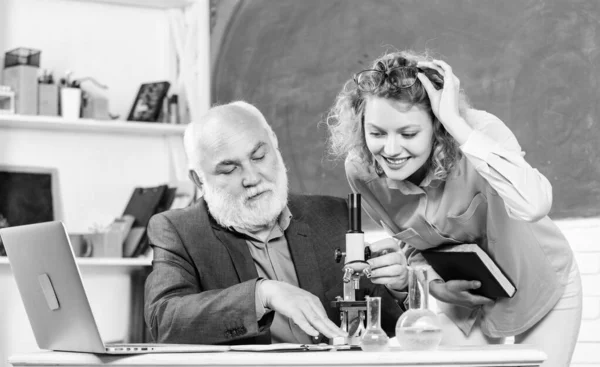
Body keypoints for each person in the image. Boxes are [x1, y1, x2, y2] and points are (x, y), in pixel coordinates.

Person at [325, 49, 582, 366]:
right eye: (377, 133)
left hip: (540, 285)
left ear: (436, 126)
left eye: (409, 133)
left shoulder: (478, 131)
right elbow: (414, 245)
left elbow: (535, 203)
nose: (390, 150)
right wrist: (432, 285)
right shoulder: (362, 169)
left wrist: (454, 124)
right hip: (465, 298)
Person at [144, 101, 407, 345]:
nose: (252, 177)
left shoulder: (333, 215)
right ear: (199, 179)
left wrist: (399, 288)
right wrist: (262, 294)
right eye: (229, 169)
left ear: (275, 145)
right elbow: (163, 321)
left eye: (259, 157)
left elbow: (387, 328)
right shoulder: (178, 230)